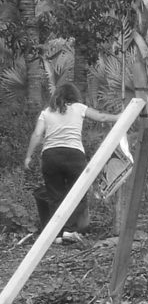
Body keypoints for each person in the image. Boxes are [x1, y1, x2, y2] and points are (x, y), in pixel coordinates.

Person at [24, 83, 122, 243]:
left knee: (55, 195)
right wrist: (118, 117)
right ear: (74, 95)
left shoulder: (46, 112)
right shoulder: (79, 107)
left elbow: (36, 134)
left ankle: (57, 234)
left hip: (51, 156)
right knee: (78, 193)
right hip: (74, 155)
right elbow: (102, 117)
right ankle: (69, 231)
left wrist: (28, 156)